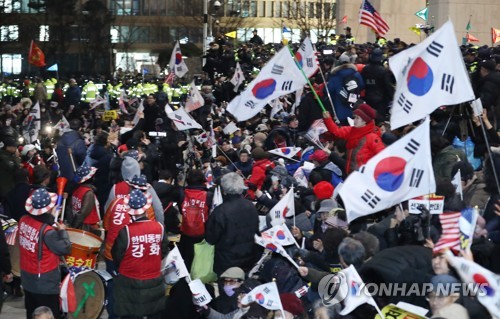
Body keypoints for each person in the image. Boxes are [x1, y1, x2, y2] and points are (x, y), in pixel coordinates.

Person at [112, 188, 169, 319]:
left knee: (130, 313)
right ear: (146, 207)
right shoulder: (159, 227)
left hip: (129, 280)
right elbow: (164, 250)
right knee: (154, 312)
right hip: (154, 277)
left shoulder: (126, 231)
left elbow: (116, 255)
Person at [19, 188, 71, 319]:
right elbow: (65, 248)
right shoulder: (48, 232)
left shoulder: (23, 220)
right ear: (47, 208)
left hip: (27, 277)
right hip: (44, 282)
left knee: (32, 313)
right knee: (49, 314)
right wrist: (63, 232)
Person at [205, 173, 259, 276]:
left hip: (226, 262)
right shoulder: (251, 206)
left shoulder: (220, 211)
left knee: (227, 290)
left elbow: (210, 238)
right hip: (248, 259)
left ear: (224, 190)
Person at [323, 103, 385, 174]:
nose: (354, 120)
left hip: (363, 177)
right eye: (354, 117)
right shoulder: (352, 131)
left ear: (365, 121)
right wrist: (328, 119)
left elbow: (382, 157)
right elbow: (337, 131)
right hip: (351, 174)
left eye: (357, 118)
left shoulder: (372, 137)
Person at [70, 164, 101, 234]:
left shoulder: (77, 190)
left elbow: (70, 208)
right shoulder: (88, 193)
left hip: (79, 225)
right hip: (87, 228)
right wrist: (73, 227)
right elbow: (83, 213)